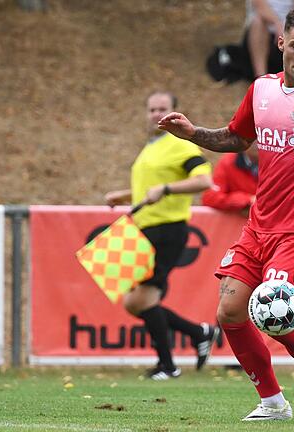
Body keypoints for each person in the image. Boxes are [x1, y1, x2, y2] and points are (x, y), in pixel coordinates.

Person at [159, 9, 294, 423]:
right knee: (230, 312)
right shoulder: (261, 90)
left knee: (275, 313)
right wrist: (193, 133)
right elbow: (236, 138)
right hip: (259, 226)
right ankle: (273, 402)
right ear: (280, 44)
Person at [104, 91, 220, 380]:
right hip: (144, 229)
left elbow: (204, 181)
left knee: (142, 300)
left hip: (168, 229)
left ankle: (168, 366)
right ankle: (198, 333)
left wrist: (167, 190)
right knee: (134, 302)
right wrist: (126, 195)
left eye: (163, 109)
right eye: (152, 109)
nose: (157, 114)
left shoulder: (180, 145)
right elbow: (153, 186)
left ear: (176, 112)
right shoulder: (151, 146)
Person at [244, 0, 294, 78]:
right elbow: (259, 5)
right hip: (267, 33)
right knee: (258, 22)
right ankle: (261, 77)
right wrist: (277, 24)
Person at [201, 145, 258, 216]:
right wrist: (247, 200)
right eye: (254, 138)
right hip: (240, 224)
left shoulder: (275, 163)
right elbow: (210, 198)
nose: (258, 143)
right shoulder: (229, 161)